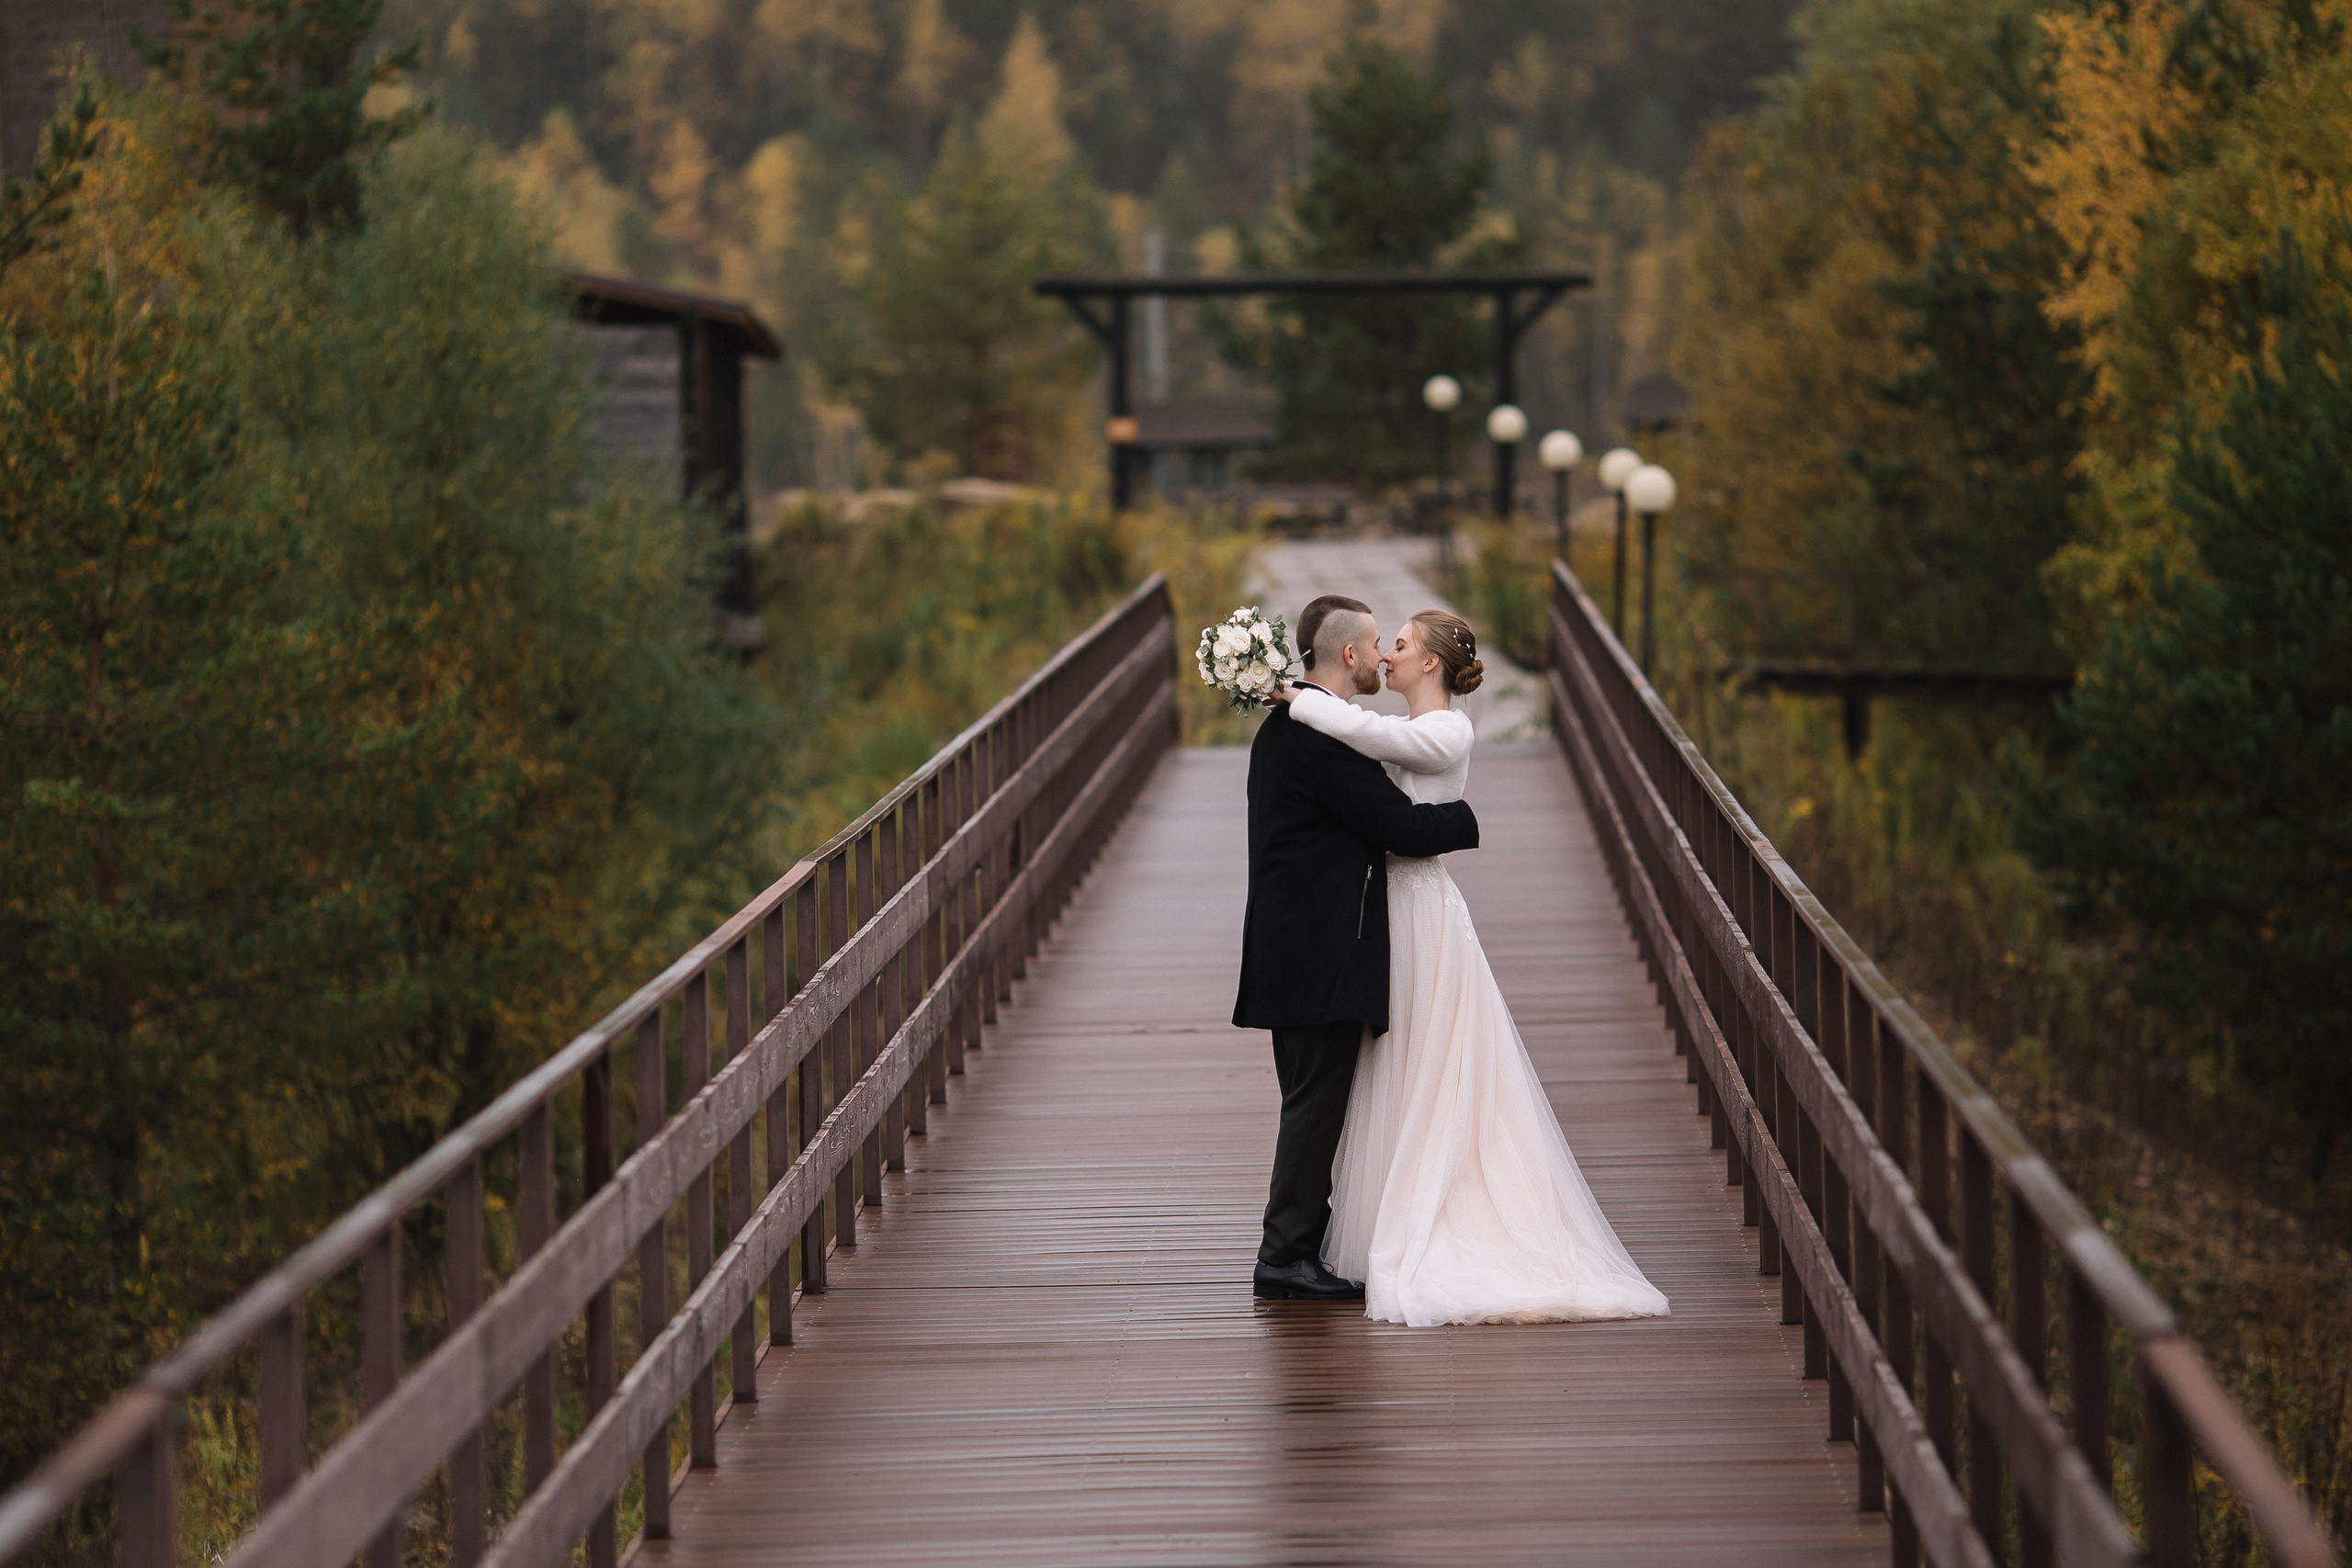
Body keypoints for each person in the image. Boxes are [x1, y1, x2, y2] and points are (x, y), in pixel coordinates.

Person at [1268, 608, 1668, 1326]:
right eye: (1385, 643)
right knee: (1395, 1070)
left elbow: (1374, 740)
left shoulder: (1445, 729)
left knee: (1429, 1061)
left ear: (1430, 665)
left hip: (1419, 912)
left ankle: (1433, 1215)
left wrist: (1303, 699)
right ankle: (1366, 1221)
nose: (1389, 655)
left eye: (1402, 645)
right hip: (1384, 909)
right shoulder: (1402, 731)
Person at [1232, 595, 1481, 1302]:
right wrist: (1465, 819)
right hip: (1317, 951)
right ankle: (1283, 1255)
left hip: (1294, 946)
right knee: (1314, 1105)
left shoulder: (1289, 726)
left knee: (1312, 1101)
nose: (1382, 655)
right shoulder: (1319, 738)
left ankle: (1305, 1238)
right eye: (1376, 643)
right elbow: (1397, 823)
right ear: (1348, 655)